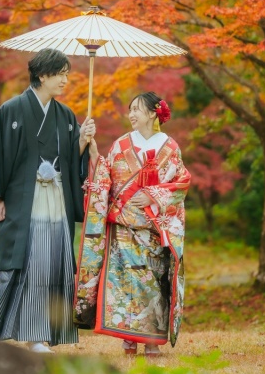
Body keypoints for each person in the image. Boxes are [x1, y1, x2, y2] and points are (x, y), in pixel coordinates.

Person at [0, 48, 96, 353]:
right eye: (60, 73)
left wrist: (82, 139)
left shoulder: (65, 115)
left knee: (53, 262)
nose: (66, 80)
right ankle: (31, 334)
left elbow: (69, 160)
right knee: (31, 263)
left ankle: (42, 334)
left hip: (55, 200)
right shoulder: (11, 110)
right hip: (24, 202)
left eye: (67, 73)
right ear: (42, 75)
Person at [73, 92, 191, 357]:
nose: (132, 114)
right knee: (126, 283)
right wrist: (93, 153)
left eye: (137, 109)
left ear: (153, 113)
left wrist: (153, 195)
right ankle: (128, 337)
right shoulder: (120, 145)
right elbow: (105, 177)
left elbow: (181, 183)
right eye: (130, 110)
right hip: (123, 227)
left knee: (152, 285)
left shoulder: (170, 148)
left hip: (152, 229)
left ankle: (150, 339)